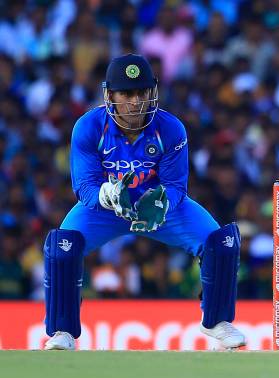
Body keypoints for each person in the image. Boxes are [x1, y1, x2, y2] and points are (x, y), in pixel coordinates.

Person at [43, 54, 245, 350]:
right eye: (126, 94)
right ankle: (63, 331)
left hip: (158, 208)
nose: (135, 102)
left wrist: (162, 202)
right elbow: (84, 186)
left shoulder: (171, 128)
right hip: (107, 210)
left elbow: (176, 185)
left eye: (141, 93)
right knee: (63, 247)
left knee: (221, 241)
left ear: (152, 92)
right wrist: (104, 194)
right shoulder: (88, 127)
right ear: (110, 95)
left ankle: (216, 322)